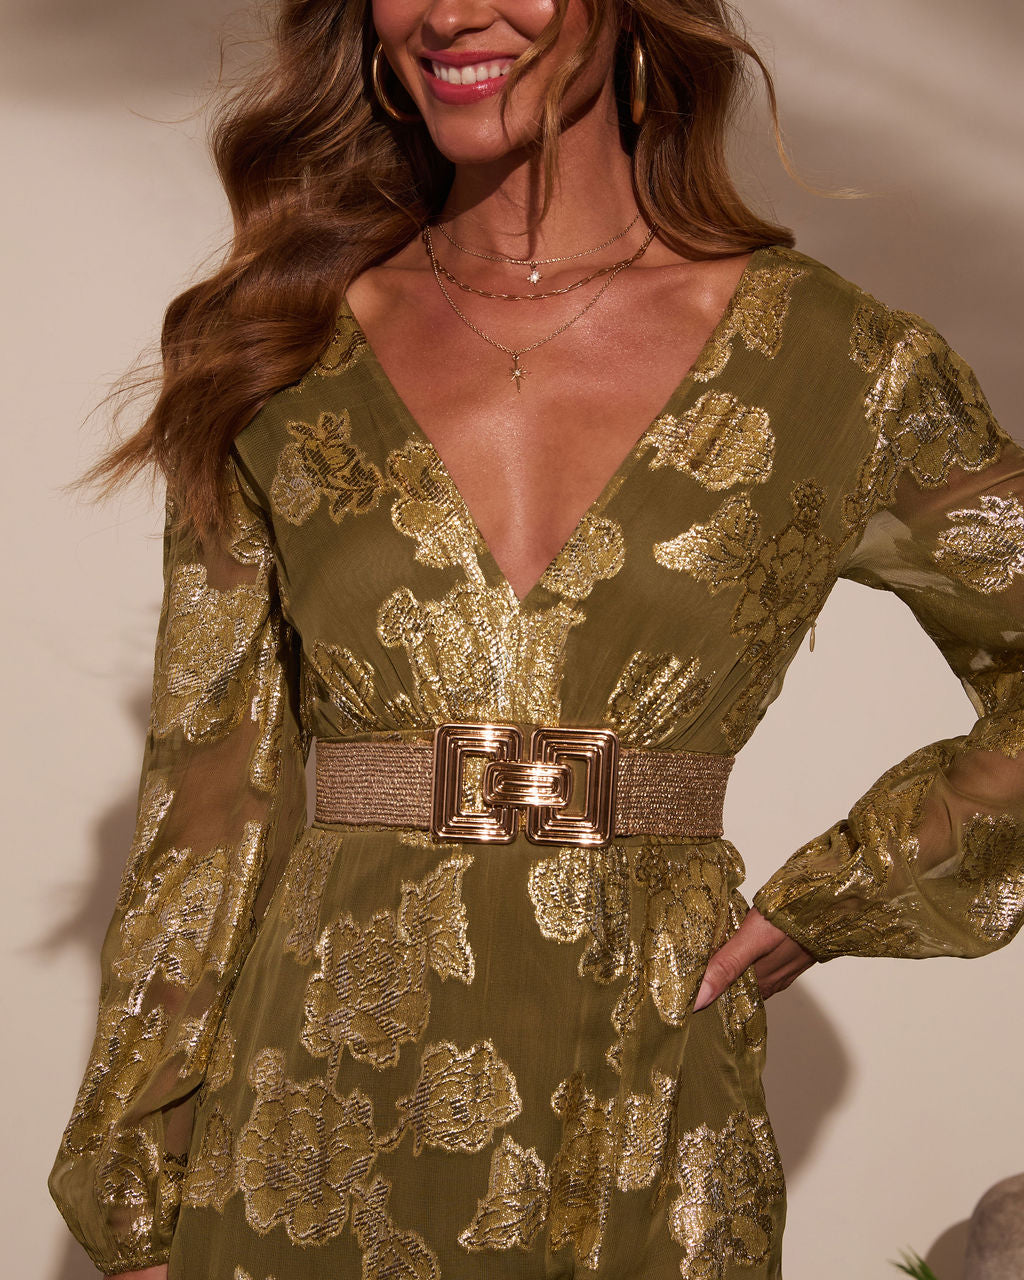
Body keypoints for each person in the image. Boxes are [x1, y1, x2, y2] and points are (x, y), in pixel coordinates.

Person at [48, 0, 1024, 1275]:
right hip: (311, 1113)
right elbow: (208, 797)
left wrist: (854, 884)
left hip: (644, 1093)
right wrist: (136, 1193)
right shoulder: (276, 342)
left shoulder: (840, 362)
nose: (453, 12)